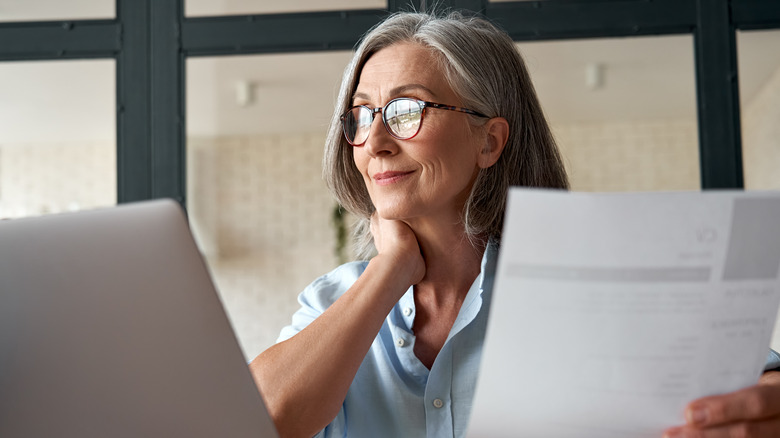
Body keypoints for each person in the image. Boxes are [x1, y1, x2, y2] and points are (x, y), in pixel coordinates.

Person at [249, 11, 780, 438]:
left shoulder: (584, 283)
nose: (377, 142)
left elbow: (753, 378)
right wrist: (391, 269)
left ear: (489, 141)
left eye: (406, 110)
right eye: (361, 116)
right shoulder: (331, 302)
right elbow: (258, 422)